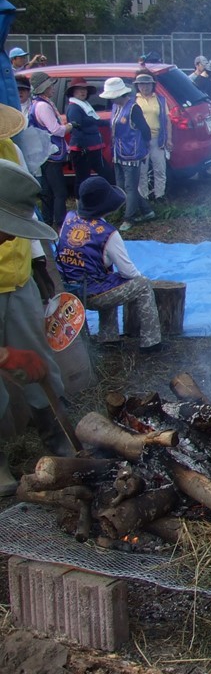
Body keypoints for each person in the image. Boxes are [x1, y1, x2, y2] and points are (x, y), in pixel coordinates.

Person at [0, 159, 74, 491]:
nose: (8, 240)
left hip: (15, 282)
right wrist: (4, 358)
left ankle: (61, 441)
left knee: (37, 360)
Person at [56, 176, 163, 351]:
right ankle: (151, 342)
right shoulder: (108, 234)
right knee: (142, 284)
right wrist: (137, 278)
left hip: (68, 290)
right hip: (92, 295)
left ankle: (109, 338)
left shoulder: (69, 219)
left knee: (108, 279)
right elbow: (129, 273)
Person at [100, 77, 154, 232]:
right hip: (118, 151)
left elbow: (145, 129)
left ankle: (128, 218)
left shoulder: (133, 108)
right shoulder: (116, 107)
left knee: (130, 186)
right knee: (122, 186)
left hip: (132, 152)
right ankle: (147, 211)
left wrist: (145, 146)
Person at [27, 72, 73, 229]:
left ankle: (47, 221)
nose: (53, 88)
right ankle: (60, 222)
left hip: (44, 152)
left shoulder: (37, 104)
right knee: (59, 191)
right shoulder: (43, 106)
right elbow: (56, 130)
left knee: (47, 190)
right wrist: (70, 126)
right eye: (50, 85)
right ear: (45, 88)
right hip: (51, 153)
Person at [65, 77, 113, 187]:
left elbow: (93, 121)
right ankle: (81, 202)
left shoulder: (85, 105)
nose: (83, 92)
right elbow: (77, 126)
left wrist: (107, 122)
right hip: (83, 150)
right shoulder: (74, 108)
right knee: (82, 179)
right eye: (79, 89)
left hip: (93, 148)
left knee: (107, 174)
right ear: (73, 91)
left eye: (85, 89)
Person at [133, 71, 171, 201]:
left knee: (160, 168)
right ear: (137, 86)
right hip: (141, 140)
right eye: (141, 84)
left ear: (152, 85)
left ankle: (159, 194)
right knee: (142, 171)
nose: (145, 87)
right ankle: (143, 197)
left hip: (157, 139)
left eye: (147, 84)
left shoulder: (160, 100)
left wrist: (169, 139)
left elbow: (167, 120)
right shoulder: (134, 100)